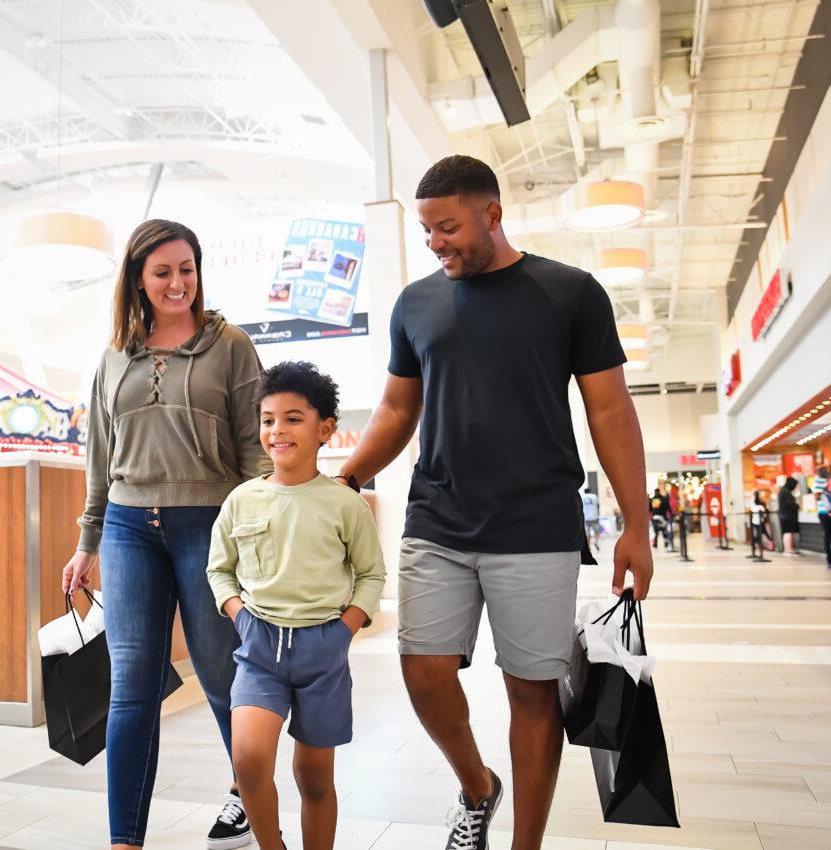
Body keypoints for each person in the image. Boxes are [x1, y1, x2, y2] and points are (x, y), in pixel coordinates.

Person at [334, 155, 653, 850]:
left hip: (537, 527)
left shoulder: (570, 293)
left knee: (532, 692)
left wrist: (637, 522)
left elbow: (610, 411)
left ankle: (524, 845)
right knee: (422, 673)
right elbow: (395, 409)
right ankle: (478, 787)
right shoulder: (415, 304)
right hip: (437, 521)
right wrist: (346, 480)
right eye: (426, 232)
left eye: (447, 227)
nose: (435, 243)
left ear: (493, 214)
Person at [60, 219, 271, 850]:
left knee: (221, 675)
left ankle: (253, 803)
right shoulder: (112, 358)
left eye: (187, 268)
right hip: (127, 525)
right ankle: (125, 840)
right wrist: (86, 542)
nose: (178, 282)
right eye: (163, 272)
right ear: (137, 279)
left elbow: (253, 451)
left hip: (206, 523)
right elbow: (101, 459)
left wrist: (260, 534)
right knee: (132, 685)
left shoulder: (229, 344)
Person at [207, 362, 385, 850]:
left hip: (322, 651)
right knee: (247, 759)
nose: (277, 430)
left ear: (325, 428)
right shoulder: (242, 500)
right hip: (259, 646)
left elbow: (372, 574)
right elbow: (218, 570)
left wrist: (345, 630)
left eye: (292, 418)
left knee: (312, 777)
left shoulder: (346, 504)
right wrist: (240, 615)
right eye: (267, 419)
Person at [778, 476, 802, 556]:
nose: (795, 487)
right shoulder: (786, 492)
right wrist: (798, 506)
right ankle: (788, 549)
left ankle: (788, 549)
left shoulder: (783, 491)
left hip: (784, 515)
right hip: (788, 516)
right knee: (788, 532)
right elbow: (791, 504)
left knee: (787, 532)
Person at [649, 487, 673, 551]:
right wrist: (671, 514)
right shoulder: (664, 499)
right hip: (663, 518)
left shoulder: (653, 499)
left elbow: (650, 509)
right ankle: (666, 544)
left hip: (655, 518)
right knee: (664, 531)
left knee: (655, 531)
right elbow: (668, 508)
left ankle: (655, 544)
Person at [581, 486, 601, 551]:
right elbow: (598, 505)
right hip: (594, 517)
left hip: (585, 518)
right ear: (590, 491)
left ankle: (588, 546)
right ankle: (595, 542)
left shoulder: (582, 497)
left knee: (587, 534)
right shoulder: (594, 496)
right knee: (597, 532)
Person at [818, 484, 831, 566]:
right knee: (828, 536)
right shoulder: (825, 493)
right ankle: (829, 559)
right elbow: (828, 507)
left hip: (826, 514)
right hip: (825, 516)